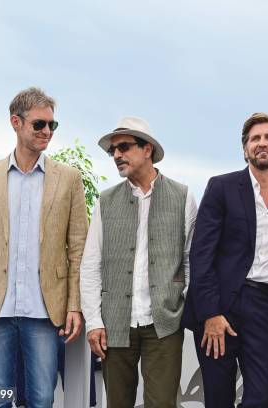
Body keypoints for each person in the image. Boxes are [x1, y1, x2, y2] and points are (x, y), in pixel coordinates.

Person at [0, 87, 88, 408]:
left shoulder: (69, 179)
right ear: (16, 122)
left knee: (41, 399)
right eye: (40, 124)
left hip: (44, 311)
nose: (47, 132)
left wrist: (74, 305)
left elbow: (78, 249)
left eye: (53, 125)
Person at [182, 112, 268, 407]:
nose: (262, 143)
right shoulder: (221, 187)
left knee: (259, 399)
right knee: (219, 398)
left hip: (265, 305)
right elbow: (201, 254)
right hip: (220, 305)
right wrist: (210, 313)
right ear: (245, 148)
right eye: (255, 138)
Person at [80, 116, 197, 408]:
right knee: (117, 403)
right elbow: (91, 265)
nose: (117, 154)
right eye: (113, 150)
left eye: (124, 147)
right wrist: (94, 322)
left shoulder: (182, 196)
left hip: (164, 323)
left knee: (162, 404)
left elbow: (191, 259)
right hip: (115, 324)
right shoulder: (105, 201)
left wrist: (179, 302)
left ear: (148, 150)